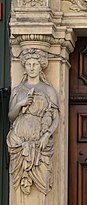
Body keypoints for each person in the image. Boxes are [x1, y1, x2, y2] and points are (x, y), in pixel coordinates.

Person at [7, 48, 59, 195]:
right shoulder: (18, 90)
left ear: (40, 65)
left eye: (35, 64)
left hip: (40, 142)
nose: (31, 68)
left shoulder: (49, 90)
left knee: (43, 182)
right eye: (28, 64)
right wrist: (20, 104)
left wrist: (46, 135)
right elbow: (11, 116)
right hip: (19, 140)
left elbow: (56, 118)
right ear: (24, 66)